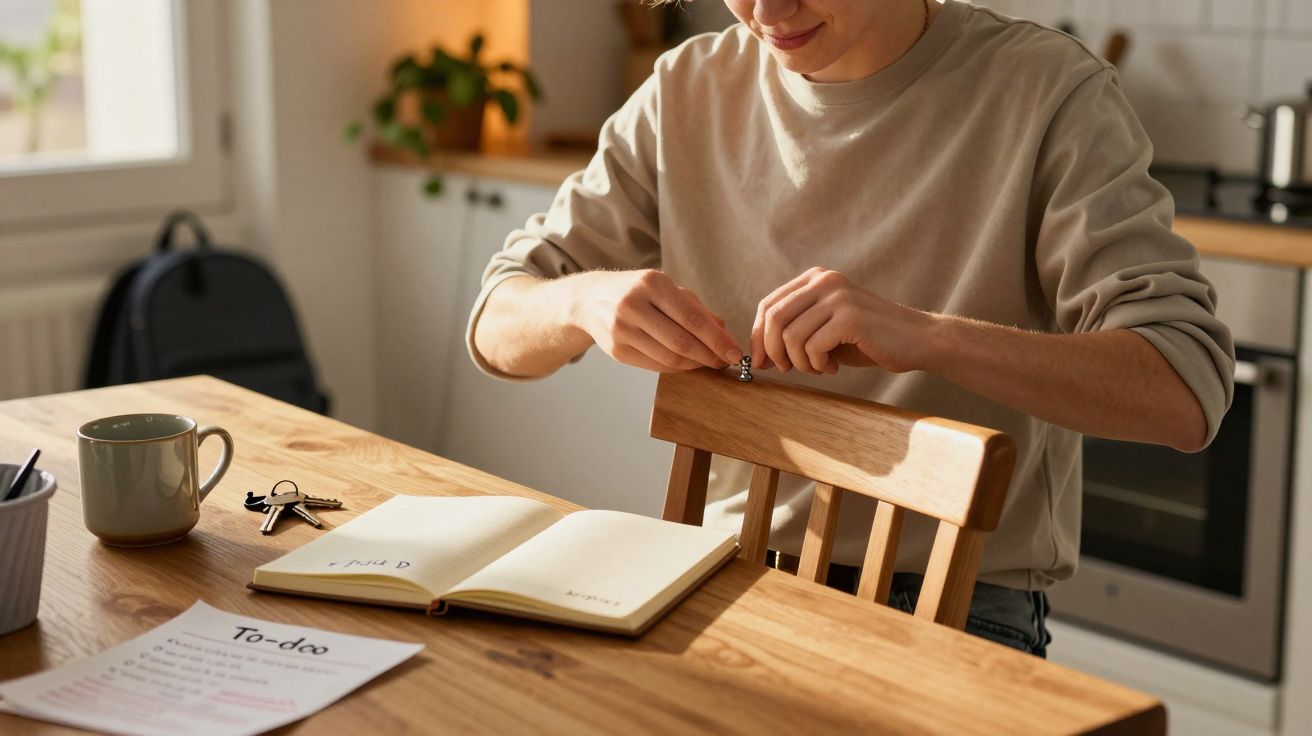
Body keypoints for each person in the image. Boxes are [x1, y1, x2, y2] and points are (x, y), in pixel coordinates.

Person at [465, 0, 1235, 657]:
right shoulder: (687, 88)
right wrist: (584, 303)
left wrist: (927, 336)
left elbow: (1184, 388)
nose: (767, 12)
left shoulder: (1047, 92)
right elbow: (497, 322)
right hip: (720, 578)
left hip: (956, 614)